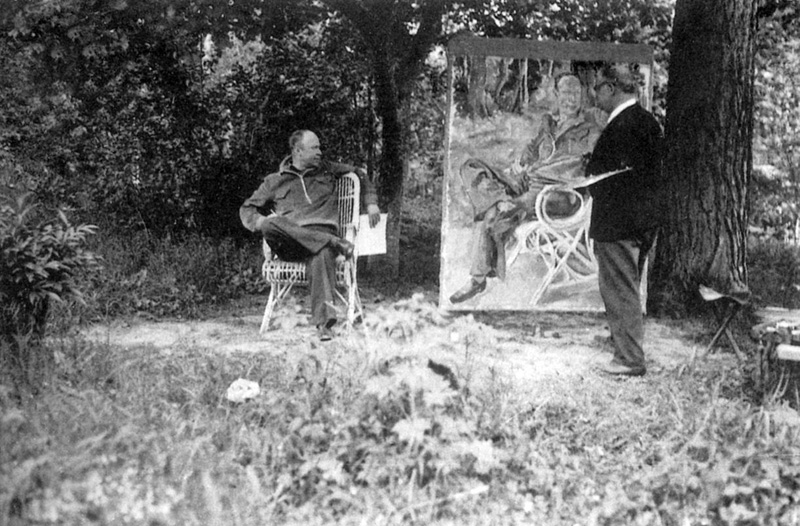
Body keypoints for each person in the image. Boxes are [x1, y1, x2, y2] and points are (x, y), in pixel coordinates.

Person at [450, 73, 602, 304]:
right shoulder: (548, 124)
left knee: (494, 214)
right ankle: (500, 199)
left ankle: (477, 279)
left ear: (582, 97)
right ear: (556, 94)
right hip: (528, 181)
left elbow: (596, 168)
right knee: (470, 166)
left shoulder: (591, 131)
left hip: (556, 193)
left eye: (575, 93)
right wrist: (519, 165)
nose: (571, 99)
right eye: (565, 93)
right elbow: (531, 151)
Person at [240, 130, 380, 341]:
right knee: (269, 224)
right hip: (289, 243)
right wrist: (258, 222)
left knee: (321, 253)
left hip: (321, 235)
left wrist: (371, 202)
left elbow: (359, 173)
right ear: (298, 151)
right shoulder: (275, 181)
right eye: (314, 148)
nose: (320, 152)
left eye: (319, 147)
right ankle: (333, 242)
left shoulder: (327, 169)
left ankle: (324, 325)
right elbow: (247, 208)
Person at [585, 64, 664, 377]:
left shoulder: (621, 125)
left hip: (618, 222)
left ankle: (629, 358)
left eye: (597, 88)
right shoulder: (647, 121)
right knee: (628, 286)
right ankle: (623, 342)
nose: (595, 95)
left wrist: (588, 178)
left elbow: (610, 177)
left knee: (620, 289)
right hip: (642, 220)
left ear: (610, 88)